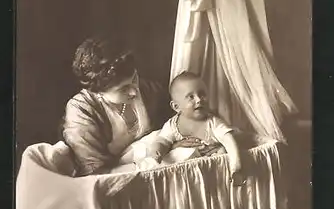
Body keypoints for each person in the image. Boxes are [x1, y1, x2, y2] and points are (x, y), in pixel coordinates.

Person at [61, 36, 170, 176]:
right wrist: (146, 166)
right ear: (98, 91)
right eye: (123, 89)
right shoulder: (81, 111)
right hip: (112, 179)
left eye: (134, 79)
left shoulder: (148, 90)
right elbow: (95, 173)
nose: (134, 91)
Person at [146, 71, 245, 185]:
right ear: (176, 107)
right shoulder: (173, 124)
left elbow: (228, 140)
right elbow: (163, 140)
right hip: (185, 175)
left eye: (202, 94)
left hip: (211, 173)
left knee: (223, 152)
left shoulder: (212, 122)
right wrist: (158, 151)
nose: (199, 100)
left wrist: (236, 166)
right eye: (191, 97)